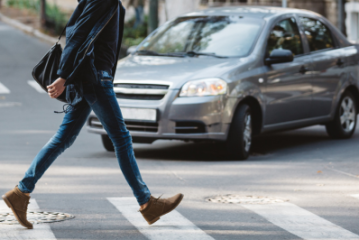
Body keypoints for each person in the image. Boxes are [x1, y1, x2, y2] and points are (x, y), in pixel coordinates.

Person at [2, 0, 183, 229]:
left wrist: (69, 75)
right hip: (96, 79)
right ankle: (146, 203)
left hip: (90, 77)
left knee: (63, 138)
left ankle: (21, 193)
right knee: (121, 138)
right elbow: (78, 35)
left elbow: (80, 32)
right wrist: (63, 76)